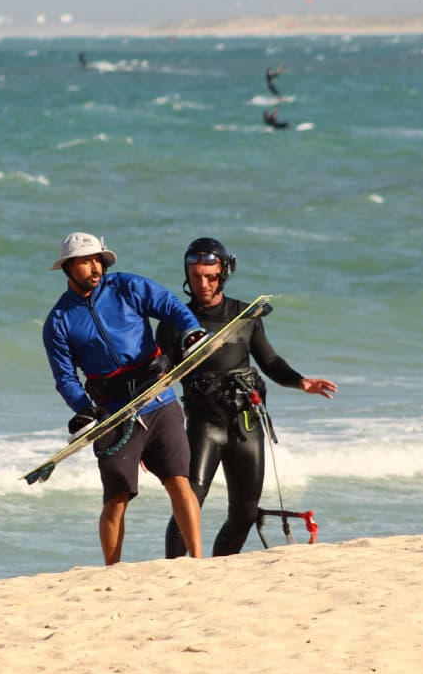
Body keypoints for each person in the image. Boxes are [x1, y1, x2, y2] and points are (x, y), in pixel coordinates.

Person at [156, 237, 337, 557]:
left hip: (246, 422)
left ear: (224, 273)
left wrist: (300, 382)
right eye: (195, 276)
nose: (203, 284)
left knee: (246, 512)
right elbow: (163, 370)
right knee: (189, 501)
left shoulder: (245, 316)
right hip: (205, 422)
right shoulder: (175, 322)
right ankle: (173, 568)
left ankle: (221, 565)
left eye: (210, 277)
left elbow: (269, 361)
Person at [42, 231, 205, 564]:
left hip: (158, 399)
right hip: (113, 413)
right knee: (116, 499)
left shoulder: (127, 286)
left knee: (179, 481)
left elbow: (170, 306)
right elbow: (65, 377)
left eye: (97, 260)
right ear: (68, 268)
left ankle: (198, 560)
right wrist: (83, 409)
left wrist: (190, 330)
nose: (94, 268)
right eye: (85, 262)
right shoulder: (58, 321)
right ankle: (112, 569)